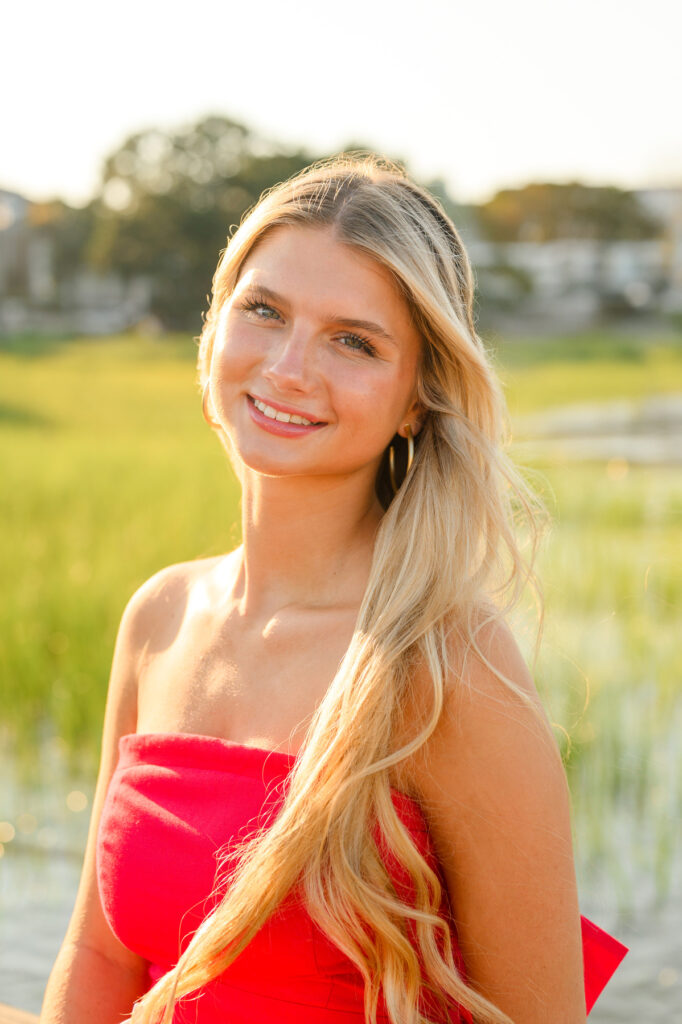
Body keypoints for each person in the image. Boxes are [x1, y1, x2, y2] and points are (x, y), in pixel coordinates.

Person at [40, 154, 627, 1024]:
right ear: (215, 330)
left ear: (417, 398)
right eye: (264, 311)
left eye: (354, 341)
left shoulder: (448, 665)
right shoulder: (159, 619)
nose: (287, 367)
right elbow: (98, 953)